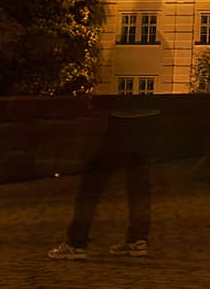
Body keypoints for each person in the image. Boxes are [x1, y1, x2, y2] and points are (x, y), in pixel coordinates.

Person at [48, 92, 162, 260]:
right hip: (150, 116)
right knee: (139, 182)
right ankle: (137, 239)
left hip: (120, 119)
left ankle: (76, 243)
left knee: (92, 182)